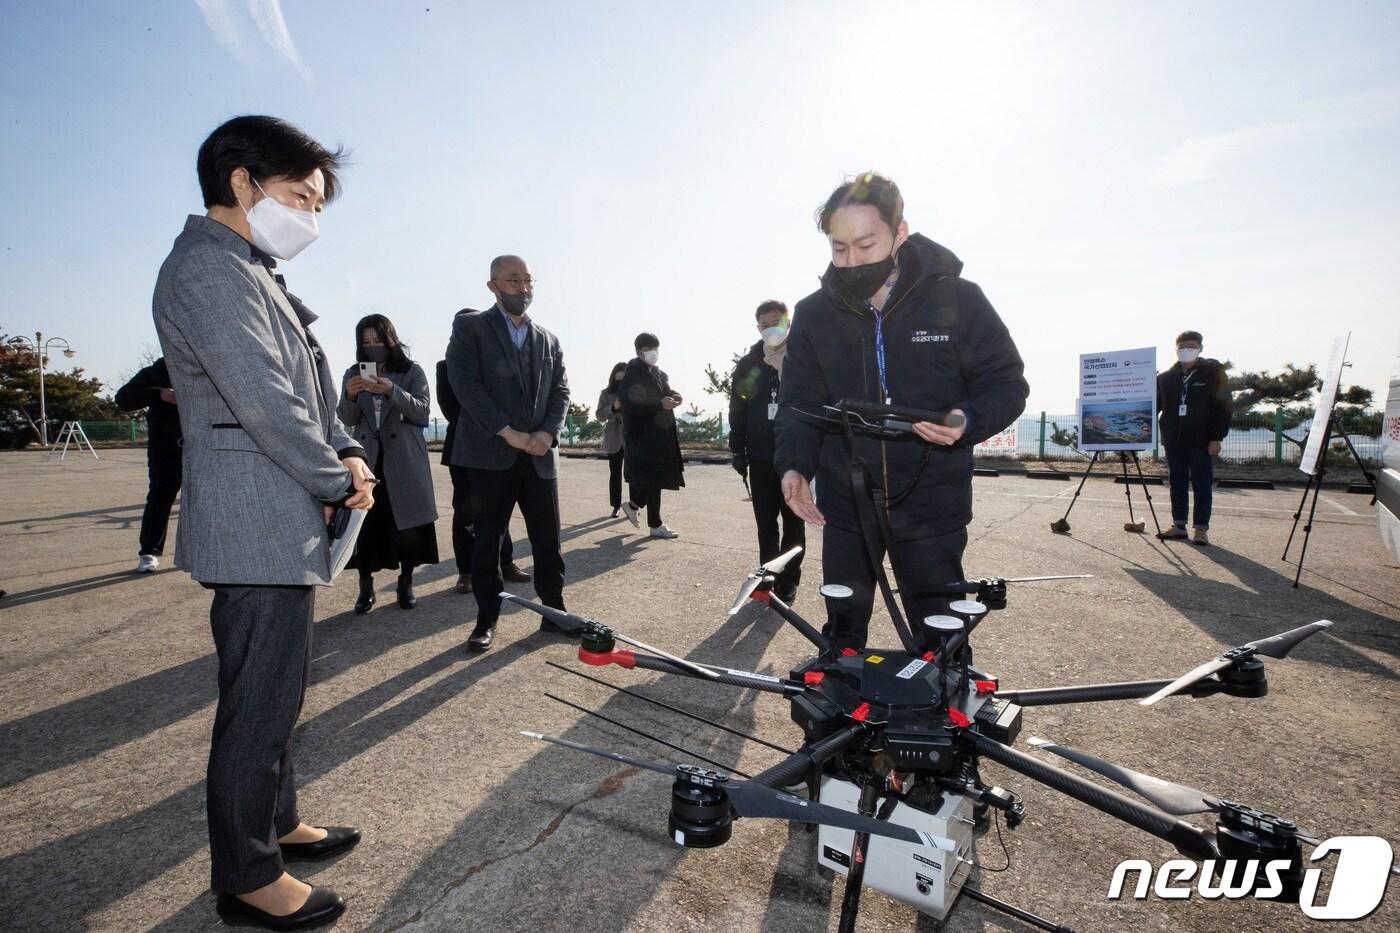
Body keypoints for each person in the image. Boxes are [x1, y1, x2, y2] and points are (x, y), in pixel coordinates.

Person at [152, 115, 372, 930]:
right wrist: (334, 475)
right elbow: (267, 404)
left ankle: (276, 822)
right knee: (258, 703)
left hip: (282, 515)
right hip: (257, 516)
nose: (309, 219)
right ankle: (247, 874)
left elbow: (312, 390)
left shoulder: (253, 269)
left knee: (279, 692)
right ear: (241, 183)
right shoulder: (210, 270)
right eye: (300, 198)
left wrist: (347, 451)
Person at [775, 172, 1028, 652]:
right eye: (839, 248)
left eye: (866, 245)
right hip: (847, 507)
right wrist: (794, 465)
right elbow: (799, 404)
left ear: (900, 232)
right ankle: (842, 712)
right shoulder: (814, 314)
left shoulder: (958, 299)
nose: (852, 261)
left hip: (932, 504)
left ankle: (944, 718)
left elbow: (1007, 383)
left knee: (942, 642)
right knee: (843, 637)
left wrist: (964, 421)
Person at [445, 255, 570, 652]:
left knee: (548, 540)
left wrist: (548, 432)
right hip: (489, 456)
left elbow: (561, 391)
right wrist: (508, 432)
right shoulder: (471, 328)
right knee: (488, 542)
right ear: (493, 286)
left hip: (539, 457)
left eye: (529, 280)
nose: (523, 287)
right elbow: (465, 384)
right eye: (514, 280)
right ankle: (486, 620)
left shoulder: (548, 339)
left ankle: (555, 612)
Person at [338, 314, 439, 612]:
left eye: (378, 340)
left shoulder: (410, 371)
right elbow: (346, 419)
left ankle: (406, 581)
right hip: (368, 460)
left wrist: (391, 390)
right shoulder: (352, 373)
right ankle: (365, 585)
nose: (372, 347)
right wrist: (350, 395)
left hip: (404, 460)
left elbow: (422, 411)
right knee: (366, 525)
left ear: (391, 339)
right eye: (366, 342)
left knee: (407, 525)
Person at [436, 339, 530, 594]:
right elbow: (450, 410)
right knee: (465, 509)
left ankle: (506, 562)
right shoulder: (446, 367)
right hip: (464, 450)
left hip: (498, 448)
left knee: (499, 507)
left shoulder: (494, 364)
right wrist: (492, 423)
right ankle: (465, 571)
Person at [730, 300, 805, 602]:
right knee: (765, 521)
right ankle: (768, 574)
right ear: (757, 327)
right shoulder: (749, 363)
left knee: (793, 521)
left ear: (787, 322)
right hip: (760, 455)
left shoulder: (802, 357)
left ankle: (790, 577)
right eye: (764, 324)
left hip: (795, 455)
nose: (770, 328)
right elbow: (738, 407)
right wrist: (738, 449)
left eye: (776, 322)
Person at [1156, 330, 1231, 545]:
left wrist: (1217, 437)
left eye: (1190, 346)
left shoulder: (1213, 374)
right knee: (1176, 483)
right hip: (1173, 440)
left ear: (1200, 348)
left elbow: (1223, 407)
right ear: (1175, 348)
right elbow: (1154, 407)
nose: (1185, 350)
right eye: (1181, 347)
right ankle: (1179, 525)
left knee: (1201, 484)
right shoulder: (1166, 378)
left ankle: (1200, 529)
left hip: (1201, 440)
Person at [115, 357, 183, 573]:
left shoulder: (207, 366)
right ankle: (149, 552)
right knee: (159, 500)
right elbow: (123, 399)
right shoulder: (157, 371)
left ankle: (210, 550)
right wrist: (158, 393)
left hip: (204, 449)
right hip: (166, 451)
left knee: (209, 501)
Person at [620, 333, 684, 539]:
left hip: (660, 435)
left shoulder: (658, 373)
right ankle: (654, 524)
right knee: (653, 481)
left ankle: (633, 505)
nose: (654, 354)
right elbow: (629, 404)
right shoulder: (632, 375)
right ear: (639, 352)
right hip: (643, 438)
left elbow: (665, 391)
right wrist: (659, 405)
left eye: (656, 349)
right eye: (649, 349)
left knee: (655, 479)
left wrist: (675, 396)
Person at [597, 361, 627, 517]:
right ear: (613, 377)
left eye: (624, 377)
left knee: (633, 474)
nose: (620, 380)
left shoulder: (634, 392)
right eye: (618, 377)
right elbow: (599, 415)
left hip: (631, 437)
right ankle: (615, 506)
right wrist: (613, 408)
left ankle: (633, 506)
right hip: (614, 437)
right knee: (615, 473)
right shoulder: (606, 393)